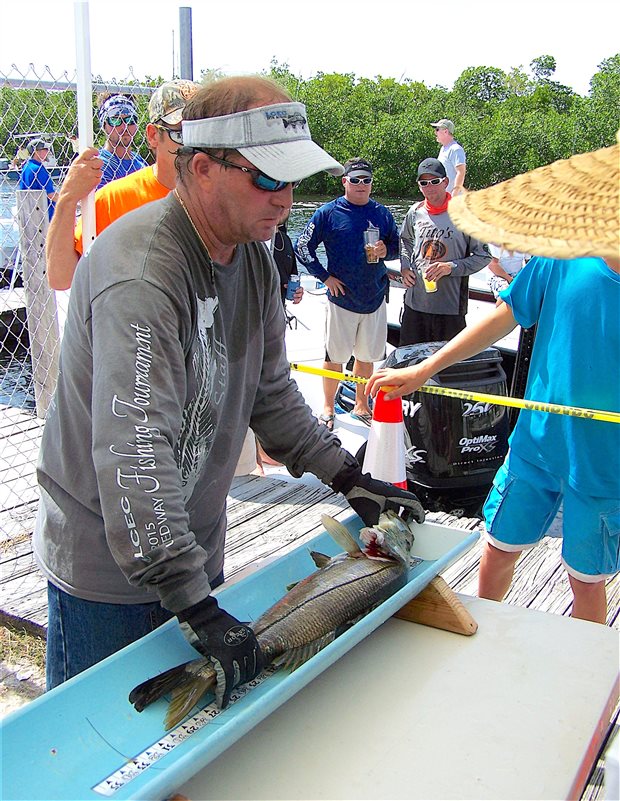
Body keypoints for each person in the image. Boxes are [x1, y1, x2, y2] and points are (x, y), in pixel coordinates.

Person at [34, 76, 425, 705]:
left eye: (294, 180)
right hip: (109, 571)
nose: (285, 198)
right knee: (99, 753)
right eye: (267, 178)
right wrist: (193, 601)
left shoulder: (252, 257)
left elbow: (271, 394)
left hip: (189, 549)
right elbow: (134, 452)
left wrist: (348, 477)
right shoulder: (142, 273)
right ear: (203, 166)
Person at [367, 134, 620, 625]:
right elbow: (506, 314)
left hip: (607, 462)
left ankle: (594, 690)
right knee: (498, 547)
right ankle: (482, 638)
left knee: (586, 578)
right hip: (537, 443)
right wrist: (424, 368)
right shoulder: (566, 253)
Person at [46, 79, 201, 290]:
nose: (194, 146)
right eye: (181, 134)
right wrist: (68, 197)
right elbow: (62, 278)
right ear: (154, 136)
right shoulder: (113, 197)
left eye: (202, 133)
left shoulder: (227, 197)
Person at [294, 158, 400, 429]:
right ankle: (328, 408)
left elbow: (398, 248)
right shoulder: (328, 213)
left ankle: (361, 405)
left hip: (375, 296)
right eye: (355, 180)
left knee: (367, 357)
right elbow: (303, 247)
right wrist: (324, 277)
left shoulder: (382, 213)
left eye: (366, 180)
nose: (361, 185)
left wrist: (384, 251)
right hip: (341, 298)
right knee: (334, 358)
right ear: (345, 182)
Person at [399, 157, 489, 346]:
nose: (429, 187)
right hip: (415, 305)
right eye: (424, 183)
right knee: (409, 365)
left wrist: (452, 267)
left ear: (446, 182)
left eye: (434, 181)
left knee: (449, 370)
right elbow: (405, 240)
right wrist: (405, 267)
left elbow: (484, 256)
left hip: (450, 308)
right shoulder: (415, 212)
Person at [96, 93, 148, 187]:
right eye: (115, 120)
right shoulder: (100, 165)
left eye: (130, 120)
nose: (124, 126)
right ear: (104, 125)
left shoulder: (138, 160)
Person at [18, 139, 58, 220]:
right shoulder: (38, 169)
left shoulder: (26, 166)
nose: (48, 152)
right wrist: (70, 202)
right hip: (44, 215)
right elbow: (50, 194)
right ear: (36, 151)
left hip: (30, 213)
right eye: (45, 149)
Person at [431, 118, 466, 195]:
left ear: (446, 131)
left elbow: (461, 172)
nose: (435, 132)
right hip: (443, 198)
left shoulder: (456, 149)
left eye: (437, 130)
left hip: (453, 199)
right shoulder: (443, 148)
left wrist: (455, 194)